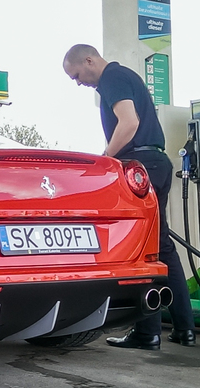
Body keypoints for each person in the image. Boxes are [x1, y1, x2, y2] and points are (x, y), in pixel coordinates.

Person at [63, 44, 196, 350]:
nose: (79, 82)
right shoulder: (125, 76)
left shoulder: (113, 77)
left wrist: (106, 159)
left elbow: (130, 122)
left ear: (89, 60)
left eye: (77, 75)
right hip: (156, 164)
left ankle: (147, 332)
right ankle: (184, 328)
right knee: (162, 247)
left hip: (140, 167)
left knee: (139, 249)